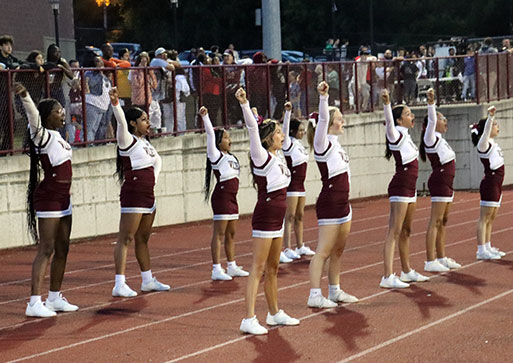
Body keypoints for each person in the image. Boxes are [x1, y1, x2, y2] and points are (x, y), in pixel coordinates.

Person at [235, 87, 299, 335]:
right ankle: (248, 318)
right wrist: (245, 104)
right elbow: (253, 129)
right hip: (266, 214)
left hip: (278, 217)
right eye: (278, 132)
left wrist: (279, 116)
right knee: (258, 268)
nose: (282, 135)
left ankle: (274, 313)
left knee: (273, 268)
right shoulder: (261, 156)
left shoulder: (280, 156)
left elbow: (274, 130)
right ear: (267, 139)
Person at [15, 82, 78, 317]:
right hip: (49, 197)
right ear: (46, 116)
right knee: (46, 248)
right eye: (58, 111)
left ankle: (54, 297)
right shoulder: (41, 135)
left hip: (63, 198)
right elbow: (32, 115)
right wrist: (24, 95)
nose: (63, 114)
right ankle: (34, 302)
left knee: (63, 248)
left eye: (62, 110)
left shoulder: (58, 137)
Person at [109, 87, 170, 297]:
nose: (148, 122)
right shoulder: (127, 140)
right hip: (134, 194)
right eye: (144, 119)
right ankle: (119, 283)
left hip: (148, 195)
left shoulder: (145, 143)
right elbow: (121, 123)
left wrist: (154, 180)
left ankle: (147, 280)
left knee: (143, 239)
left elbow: (158, 161)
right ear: (134, 123)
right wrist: (116, 104)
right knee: (125, 238)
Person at [306, 81, 358, 308]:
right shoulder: (322, 143)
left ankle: (334, 290)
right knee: (323, 251)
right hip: (329, 202)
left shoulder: (336, 145)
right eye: (339, 118)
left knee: (338, 250)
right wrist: (324, 98)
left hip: (343, 203)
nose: (342, 121)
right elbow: (324, 119)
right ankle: (315, 295)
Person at [380, 88, 429, 289]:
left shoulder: (406, 135)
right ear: (399, 120)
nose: (412, 116)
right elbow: (389, 124)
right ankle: (387, 275)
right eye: (408, 114)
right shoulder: (395, 134)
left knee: (407, 230)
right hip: (400, 186)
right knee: (394, 230)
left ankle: (406, 271)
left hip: (411, 187)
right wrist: (386, 103)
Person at [199, 106, 249, 281]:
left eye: (230, 137)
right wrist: (206, 117)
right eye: (226, 137)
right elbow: (211, 136)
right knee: (219, 234)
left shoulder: (232, 157)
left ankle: (232, 265)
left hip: (232, 198)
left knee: (231, 233)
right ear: (219, 142)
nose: (230, 140)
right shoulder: (215, 155)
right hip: (221, 197)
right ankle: (216, 268)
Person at [419, 89, 461, 273]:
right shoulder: (430, 137)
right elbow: (432, 119)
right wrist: (431, 103)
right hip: (440, 179)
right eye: (442, 119)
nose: (446, 122)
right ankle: (430, 260)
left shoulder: (440, 139)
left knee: (443, 220)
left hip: (447, 181)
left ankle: (442, 257)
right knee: (435, 220)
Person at [470, 106, 505, 260]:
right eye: (494, 124)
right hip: (490, 183)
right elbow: (485, 134)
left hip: (497, 183)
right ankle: (481, 249)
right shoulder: (484, 144)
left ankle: (488, 246)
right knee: (484, 217)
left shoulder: (493, 143)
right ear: (487, 128)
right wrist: (490, 117)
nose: (497, 127)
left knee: (491, 218)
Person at [281, 102, 315, 261]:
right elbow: (285, 130)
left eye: (304, 130)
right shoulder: (288, 144)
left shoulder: (300, 145)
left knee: (300, 215)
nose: (303, 132)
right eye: (300, 130)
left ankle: (300, 245)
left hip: (301, 185)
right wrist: (288, 113)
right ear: (293, 132)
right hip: (292, 186)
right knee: (290, 216)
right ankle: (287, 247)